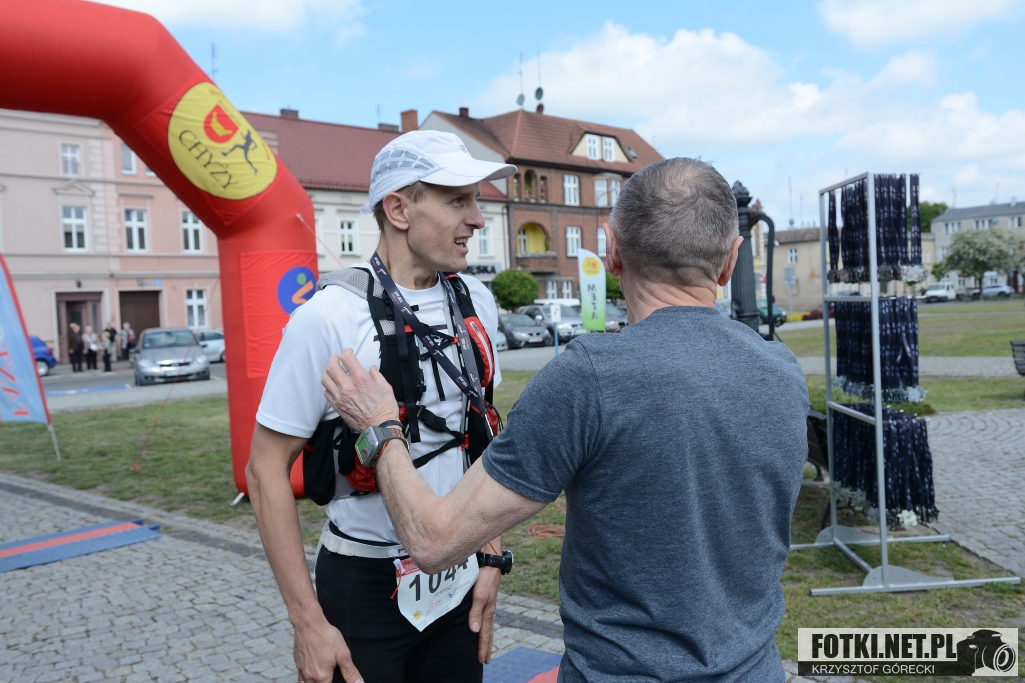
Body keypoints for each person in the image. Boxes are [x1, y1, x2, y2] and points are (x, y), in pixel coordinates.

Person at [323, 158, 810, 683]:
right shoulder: (784, 371)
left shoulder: (589, 379)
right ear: (731, 259)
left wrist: (380, 427)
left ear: (612, 249)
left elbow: (433, 542)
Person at [246, 130, 516, 683]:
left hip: (458, 581)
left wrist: (490, 556)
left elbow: (482, 441)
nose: (477, 220)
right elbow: (264, 469)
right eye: (457, 201)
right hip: (364, 585)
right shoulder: (328, 316)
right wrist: (306, 622)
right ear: (398, 209)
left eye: (476, 201)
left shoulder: (477, 302)